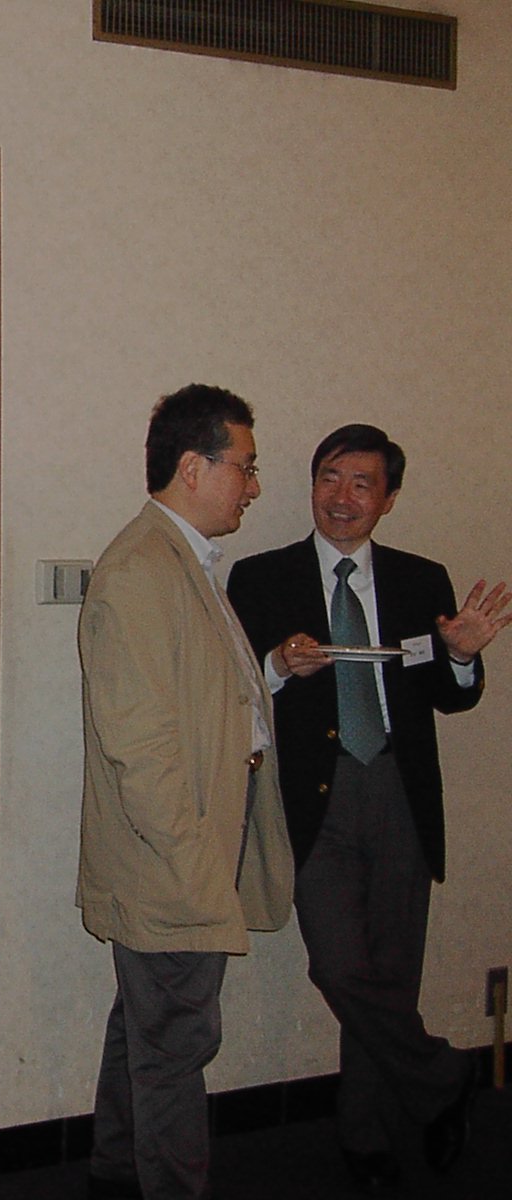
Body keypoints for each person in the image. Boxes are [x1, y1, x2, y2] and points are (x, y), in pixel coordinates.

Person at [226, 423, 509, 1191]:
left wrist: (461, 654)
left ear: (389, 499)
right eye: (330, 477)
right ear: (312, 485)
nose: (342, 496)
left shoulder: (421, 579)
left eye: (362, 483)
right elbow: (234, 689)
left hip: (399, 792)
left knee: (391, 976)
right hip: (312, 798)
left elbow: (451, 697)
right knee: (341, 967)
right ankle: (444, 1077)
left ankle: (367, 1139)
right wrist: (276, 665)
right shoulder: (262, 577)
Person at [77, 384, 295, 1200]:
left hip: (189, 844)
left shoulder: (180, 561)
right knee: (178, 1039)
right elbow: (140, 748)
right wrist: (194, 863)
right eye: (246, 466)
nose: (254, 486)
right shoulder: (141, 570)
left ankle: (114, 1168)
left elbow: (215, 700)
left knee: (149, 1023)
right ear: (194, 467)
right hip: (173, 854)